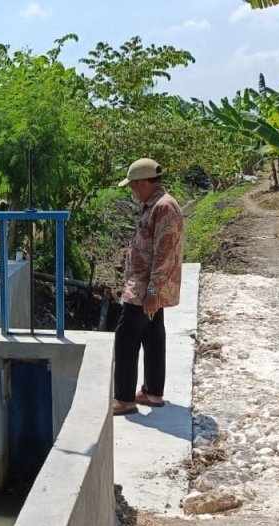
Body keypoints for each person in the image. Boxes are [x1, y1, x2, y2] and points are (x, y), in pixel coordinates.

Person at [112, 158, 185, 417]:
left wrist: (153, 292)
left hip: (145, 287)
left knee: (125, 338)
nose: (132, 191)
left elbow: (163, 254)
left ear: (143, 183)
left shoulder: (164, 208)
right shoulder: (154, 205)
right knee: (153, 335)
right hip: (146, 285)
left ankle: (124, 400)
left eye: (133, 186)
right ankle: (152, 392)